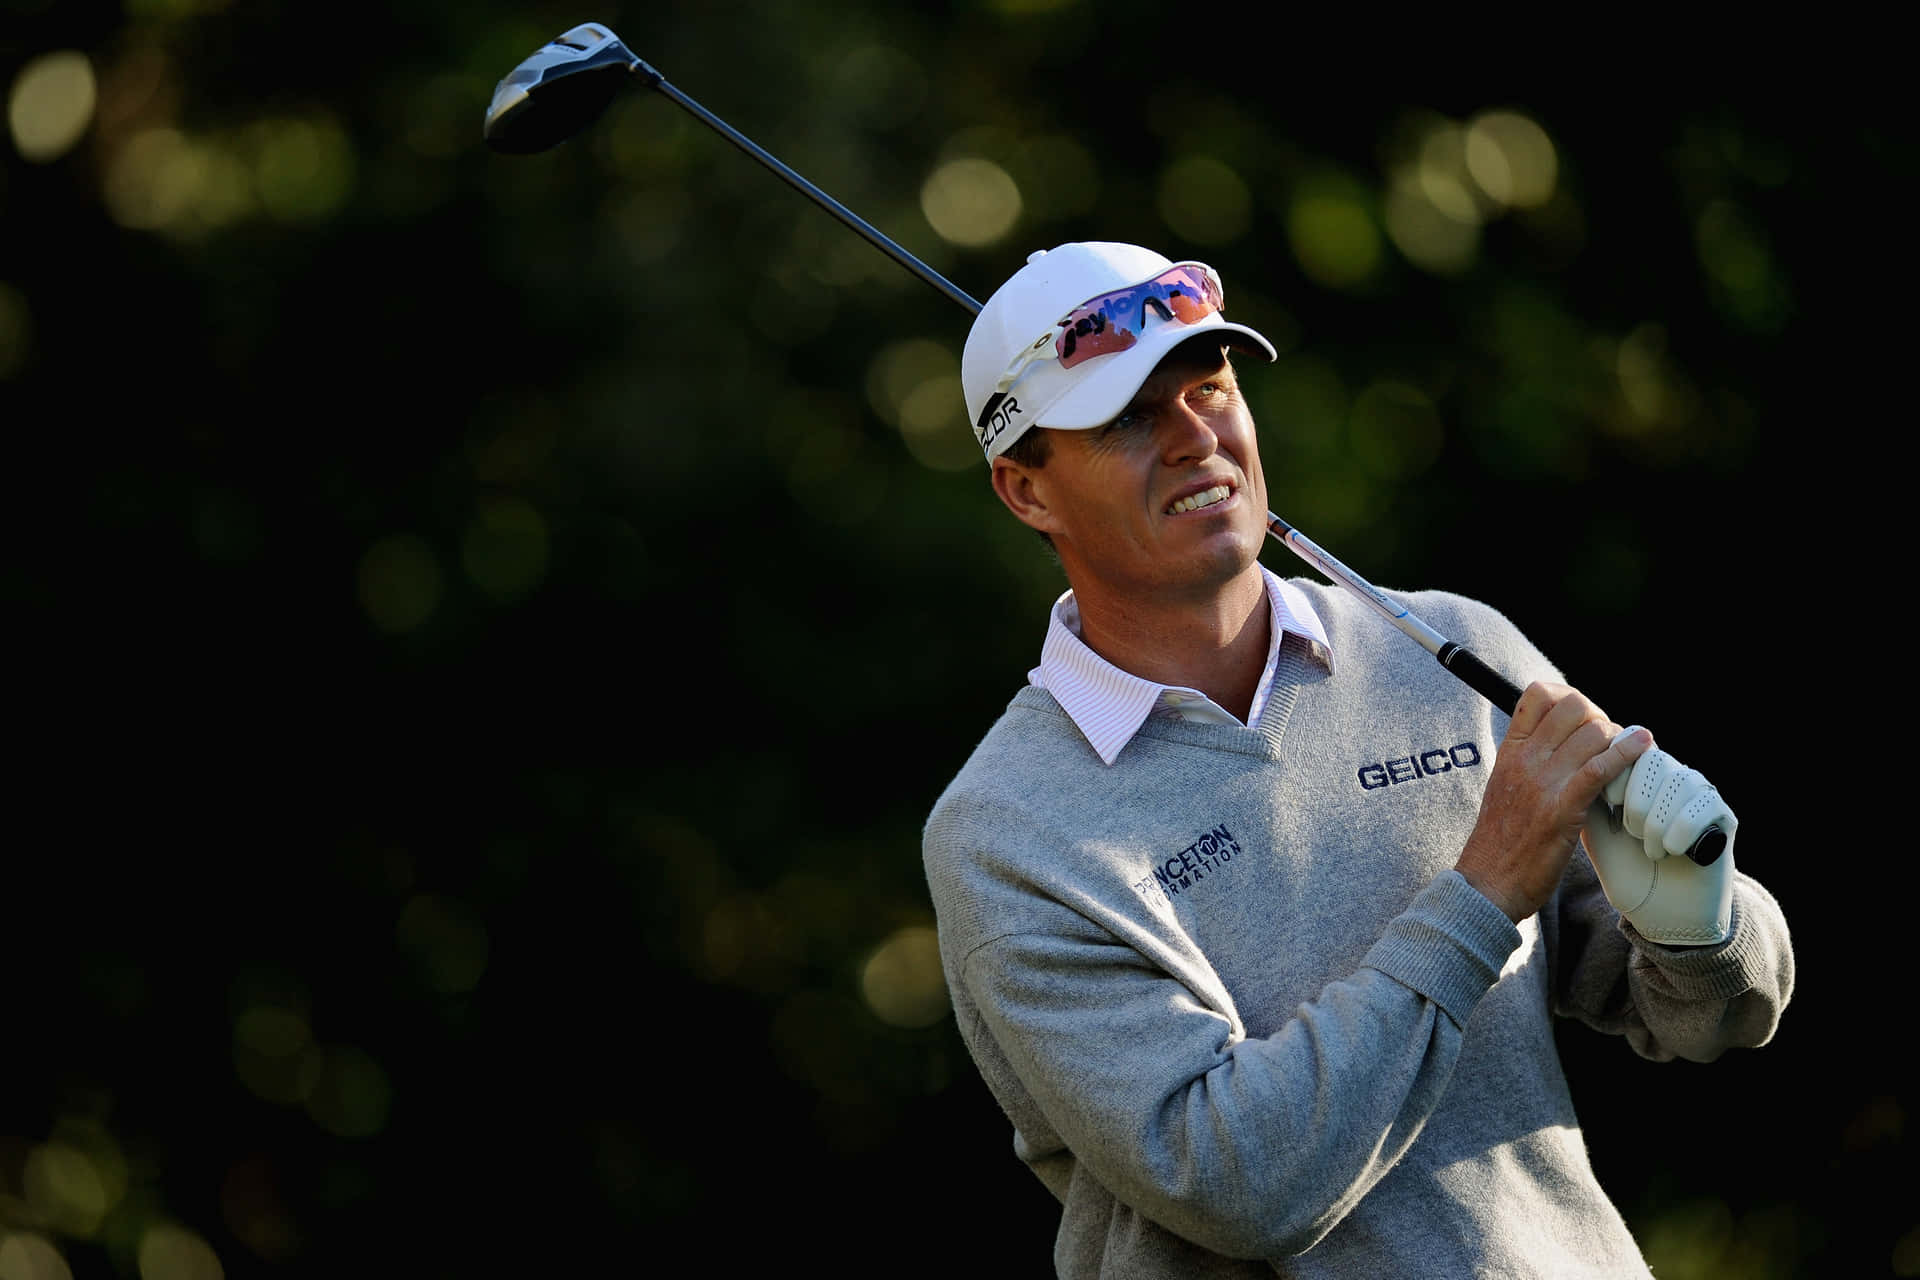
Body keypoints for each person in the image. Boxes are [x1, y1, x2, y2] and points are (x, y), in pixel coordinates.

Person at [920, 241, 1795, 1278]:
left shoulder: (1447, 652)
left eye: (1210, 389)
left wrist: (1703, 926)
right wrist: (1483, 892)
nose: (1196, 437)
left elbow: (1709, 1018)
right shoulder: (1007, 829)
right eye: (1128, 419)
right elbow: (1236, 1181)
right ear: (1028, 491)